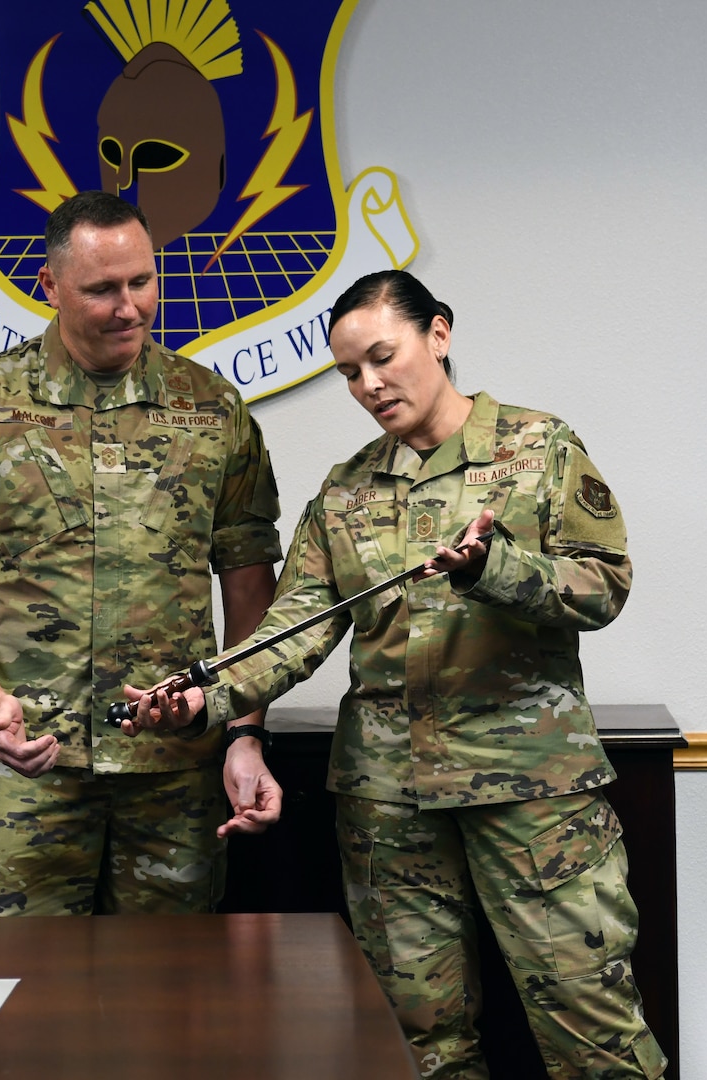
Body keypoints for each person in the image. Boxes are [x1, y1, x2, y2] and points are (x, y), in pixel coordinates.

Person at [123, 270, 668, 1078]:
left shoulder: (537, 449)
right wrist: (204, 698)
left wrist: (497, 569)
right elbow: (290, 634)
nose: (369, 385)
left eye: (383, 357)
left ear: (438, 335)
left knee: (596, 1040)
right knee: (418, 1048)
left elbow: (604, 585)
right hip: (389, 805)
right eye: (349, 372)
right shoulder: (345, 492)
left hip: (529, 797)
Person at [0, 191, 284, 918]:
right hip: (26, 769)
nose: (128, 306)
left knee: (176, 1001)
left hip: (174, 768)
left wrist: (244, 731)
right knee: (14, 999)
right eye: (102, 289)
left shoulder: (211, 409)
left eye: (141, 281)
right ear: (50, 287)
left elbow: (250, 592)